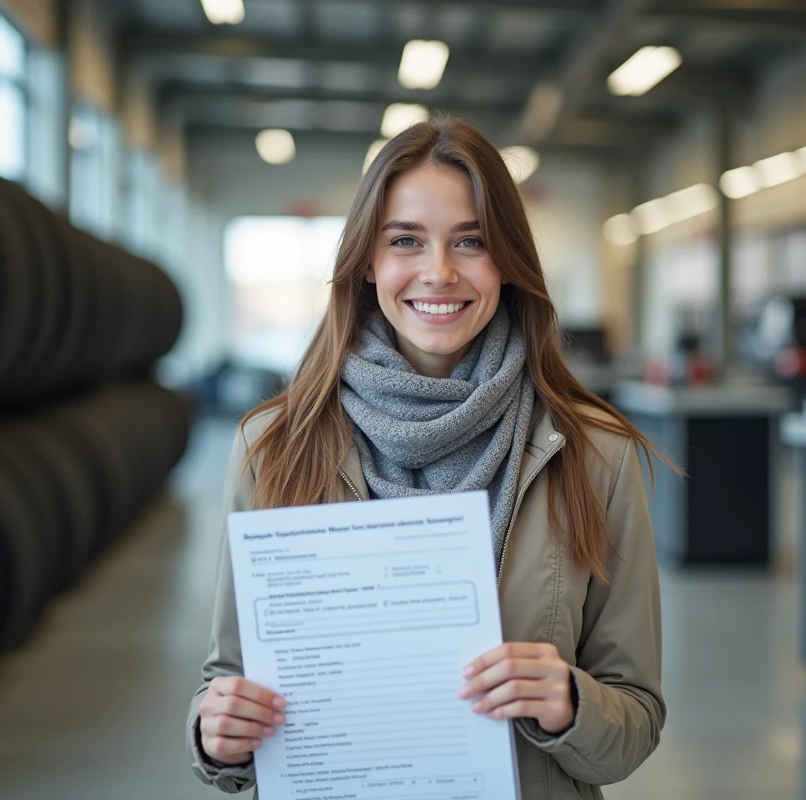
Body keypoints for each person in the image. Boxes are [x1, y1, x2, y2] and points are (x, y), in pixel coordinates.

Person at [185, 115, 666, 800]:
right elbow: (226, 680)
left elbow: (637, 721)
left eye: (471, 241)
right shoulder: (273, 447)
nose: (438, 272)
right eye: (405, 240)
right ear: (367, 262)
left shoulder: (595, 455)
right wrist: (214, 733)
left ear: (509, 260)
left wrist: (569, 703)